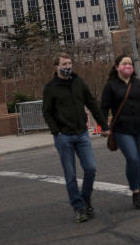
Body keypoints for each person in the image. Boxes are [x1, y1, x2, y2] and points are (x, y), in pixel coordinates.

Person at [41, 53, 108, 223]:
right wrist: (57, 132)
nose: (67, 66)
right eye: (64, 64)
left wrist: (104, 126)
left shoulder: (79, 82)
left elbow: (91, 103)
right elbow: (47, 112)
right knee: (70, 175)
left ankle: (85, 198)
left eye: (69, 63)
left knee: (91, 168)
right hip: (64, 137)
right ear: (56, 67)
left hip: (82, 134)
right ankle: (79, 209)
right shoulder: (51, 88)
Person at [100, 55, 140, 209]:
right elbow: (104, 108)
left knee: (137, 160)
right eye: (124, 63)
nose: (128, 66)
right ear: (117, 67)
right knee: (132, 158)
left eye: (130, 63)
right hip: (121, 130)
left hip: (139, 128)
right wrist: (104, 126)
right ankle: (135, 191)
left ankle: (139, 191)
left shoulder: (139, 84)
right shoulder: (110, 86)